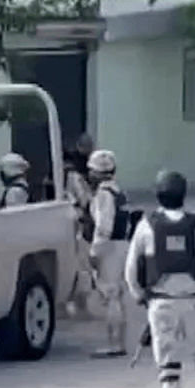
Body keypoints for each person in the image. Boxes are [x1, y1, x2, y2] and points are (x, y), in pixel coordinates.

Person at [124, 170, 195, 388]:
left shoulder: (146, 225)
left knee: (169, 370)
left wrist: (140, 296)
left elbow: (131, 270)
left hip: (161, 302)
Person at [86, 149, 131, 358]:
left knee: (110, 296)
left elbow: (104, 226)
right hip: (122, 245)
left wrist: (95, 251)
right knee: (117, 296)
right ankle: (118, 342)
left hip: (109, 247)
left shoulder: (104, 195)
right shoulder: (118, 192)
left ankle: (115, 344)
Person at [64, 145, 96, 318]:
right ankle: (80, 306)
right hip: (78, 226)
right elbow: (86, 201)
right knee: (82, 266)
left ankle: (73, 305)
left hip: (71, 225)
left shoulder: (64, 178)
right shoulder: (76, 178)